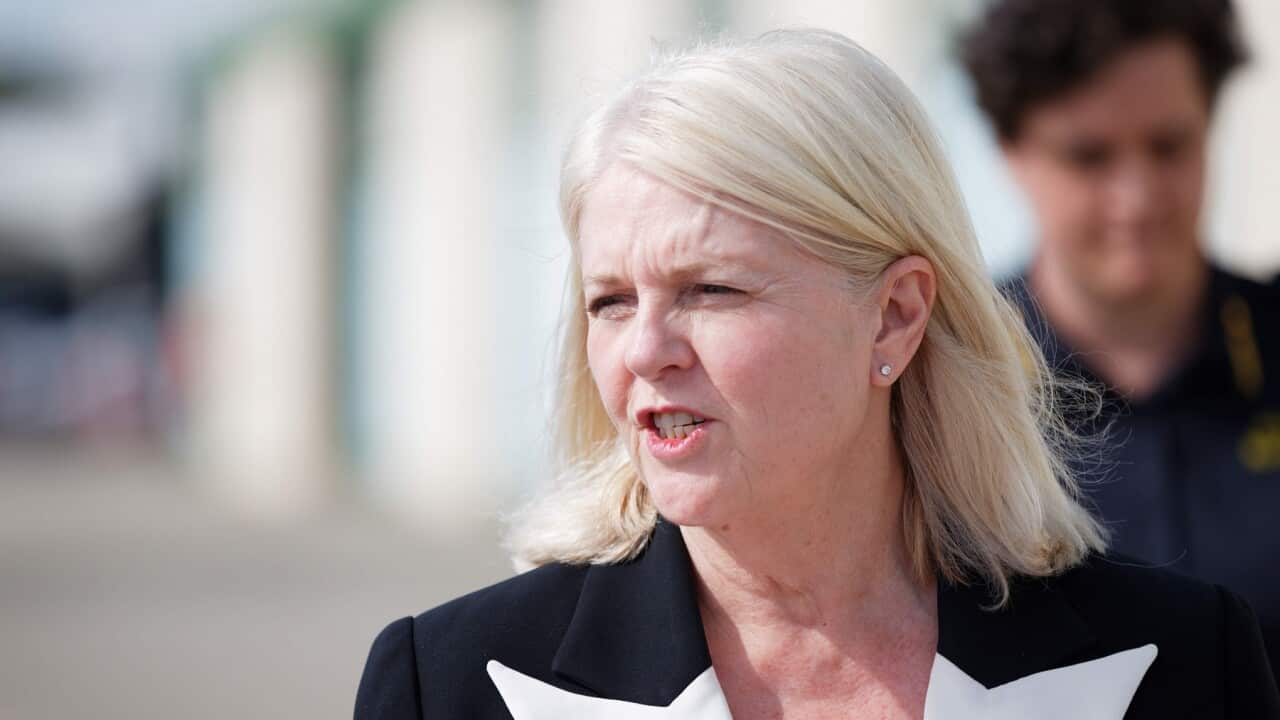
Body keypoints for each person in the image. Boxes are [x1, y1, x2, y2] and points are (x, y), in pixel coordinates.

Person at [355, 29, 1279, 719]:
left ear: (896, 314)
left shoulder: (1184, 662)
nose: (646, 349)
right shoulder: (450, 682)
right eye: (610, 302)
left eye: (710, 289)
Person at [961, 0, 1280, 679]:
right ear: (1010, 153)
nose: (1135, 199)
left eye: (1169, 146)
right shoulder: (947, 386)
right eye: (1089, 157)